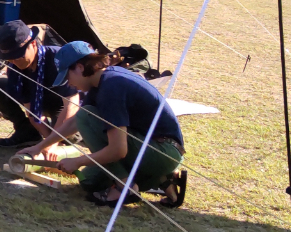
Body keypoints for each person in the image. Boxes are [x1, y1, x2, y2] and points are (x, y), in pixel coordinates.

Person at [46, 41, 188, 207]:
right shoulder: (102, 80)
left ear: (80, 67)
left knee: (86, 116)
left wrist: (78, 161)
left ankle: (125, 186)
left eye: (67, 76)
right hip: (157, 150)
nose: (69, 83)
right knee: (90, 181)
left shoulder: (111, 87)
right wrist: (40, 147)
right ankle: (164, 179)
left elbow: (118, 150)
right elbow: (73, 123)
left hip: (162, 151)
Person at [0, 20, 79, 153]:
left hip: (66, 109)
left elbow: (72, 104)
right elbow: (32, 113)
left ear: (33, 44)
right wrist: (47, 141)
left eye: (18, 56)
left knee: (69, 137)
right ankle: (27, 133)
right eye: (9, 58)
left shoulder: (58, 59)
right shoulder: (15, 70)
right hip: (40, 103)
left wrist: (52, 142)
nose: (14, 62)